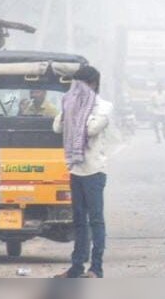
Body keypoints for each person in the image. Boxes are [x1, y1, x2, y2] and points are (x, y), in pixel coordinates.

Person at [53, 65, 113, 278]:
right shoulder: (70, 104)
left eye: (81, 84)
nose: (77, 89)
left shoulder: (103, 107)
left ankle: (96, 268)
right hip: (76, 169)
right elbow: (57, 127)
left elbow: (91, 129)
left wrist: (77, 113)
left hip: (94, 171)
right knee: (79, 220)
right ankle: (76, 267)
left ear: (93, 84)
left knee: (96, 220)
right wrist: (70, 110)